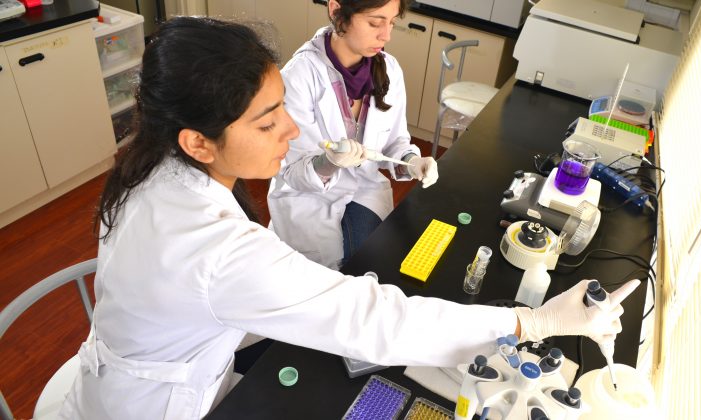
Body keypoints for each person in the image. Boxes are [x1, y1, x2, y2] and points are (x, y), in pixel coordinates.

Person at [58, 17, 640, 420]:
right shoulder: (217, 250)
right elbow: (374, 320)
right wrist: (533, 323)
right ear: (198, 141)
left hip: (162, 363)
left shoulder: (155, 167)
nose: (290, 129)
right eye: (267, 122)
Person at [267, 0, 439, 268]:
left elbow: (395, 140)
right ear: (337, 10)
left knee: (373, 264)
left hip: (364, 191)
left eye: (392, 23)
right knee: (333, 277)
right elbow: (291, 170)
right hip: (309, 200)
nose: (386, 35)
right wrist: (327, 163)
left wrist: (411, 161)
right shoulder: (298, 77)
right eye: (375, 22)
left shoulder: (389, 69)